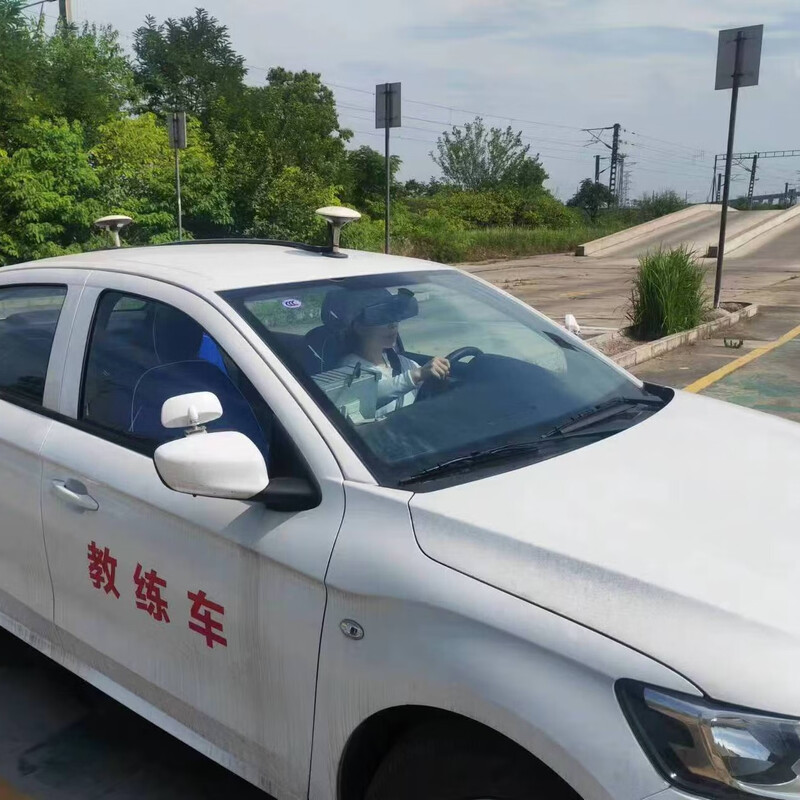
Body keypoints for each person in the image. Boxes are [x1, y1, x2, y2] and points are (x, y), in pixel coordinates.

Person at [337, 289, 450, 417]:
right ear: (359, 328)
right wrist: (417, 375)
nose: (393, 324)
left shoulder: (403, 362)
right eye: (381, 317)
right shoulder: (346, 369)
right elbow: (367, 396)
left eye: (393, 315)